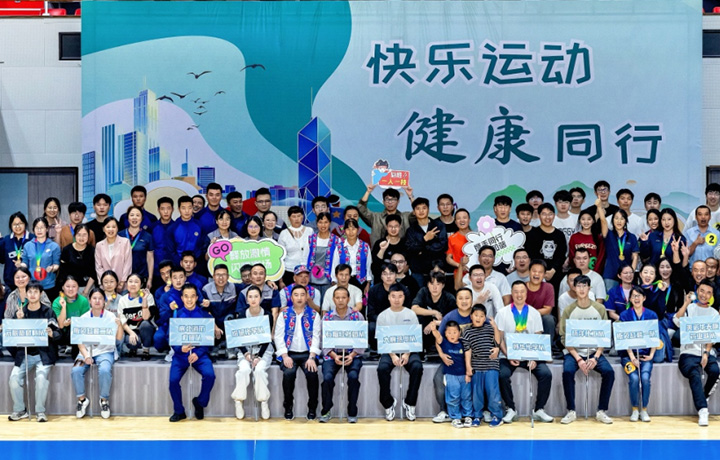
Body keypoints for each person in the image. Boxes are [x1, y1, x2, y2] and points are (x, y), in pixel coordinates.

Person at [558, 275, 615, 425]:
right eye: (579, 286)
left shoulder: (599, 309)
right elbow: (564, 338)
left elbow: (604, 336)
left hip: (594, 352)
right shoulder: (569, 310)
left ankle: (602, 411)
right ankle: (571, 410)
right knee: (567, 372)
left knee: (609, 372)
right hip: (574, 352)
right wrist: (578, 359)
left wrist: (595, 357)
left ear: (589, 288)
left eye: (585, 286)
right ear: (574, 288)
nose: (582, 289)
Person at [496, 281, 554, 424]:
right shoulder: (502, 313)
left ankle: (539, 409)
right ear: (512, 293)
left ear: (526, 294)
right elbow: (499, 338)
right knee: (502, 375)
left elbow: (538, 337)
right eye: (516, 292)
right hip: (508, 355)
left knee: (546, 374)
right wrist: (508, 355)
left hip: (530, 355)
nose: (519, 295)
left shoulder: (534, 313)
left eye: (522, 291)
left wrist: (534, 358)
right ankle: (511, 409)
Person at [7, 282, 61, 422]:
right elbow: (11, 335)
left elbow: (58, 333)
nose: (32, 294)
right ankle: (20, 410)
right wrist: (18, 320)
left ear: (41, 294)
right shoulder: (20, 312)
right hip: (24, 354)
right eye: (29, 291)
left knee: (41, 379)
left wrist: (52, 334)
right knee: (13, 378)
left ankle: (40, 412)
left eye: (35, 291)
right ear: (26, 294)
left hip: (43, 355)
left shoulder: (48, 312)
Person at [168, 284, 220, 422]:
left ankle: (200, 402)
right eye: (186, 296)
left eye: (192, 296)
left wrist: (198, 352)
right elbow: (170, 336)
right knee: (173, 381)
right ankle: (179, 411)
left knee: (210, 375)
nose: (189, 300)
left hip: (199, 355)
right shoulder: (176, 315)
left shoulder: (204, 315)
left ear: (197, 297)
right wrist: (180, 349)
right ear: (182, 298)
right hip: (181, 355)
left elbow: (208, 338)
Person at [71, 287, 124, 419]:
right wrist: (86, 356)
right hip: (85, 351)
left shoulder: (110, 316)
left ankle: (104, 401)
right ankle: (82, 400)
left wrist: (119, 325)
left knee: (105, 370)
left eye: (100, 298)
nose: (97, 301)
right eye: (94, 298)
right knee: (76, 370)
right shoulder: (83, 318)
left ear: (104, 301)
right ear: (90, 300)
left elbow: (118, 338)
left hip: (105, 351)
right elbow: (79, 342)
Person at [673, 280, 720, 426]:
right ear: (697, 291)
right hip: (688, 353)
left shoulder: (714, 313)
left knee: (715, 370)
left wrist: (706, 353)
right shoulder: (690, 308)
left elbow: (712, 336)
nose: (704, 295)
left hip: (705, 352)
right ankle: (702, 410)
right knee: (695, 373)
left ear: (712, 295)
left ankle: (703, 396)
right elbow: (676, 321)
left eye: (708, 292)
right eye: (702, 291)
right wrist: (686, 303)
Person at [376, 284, 424, 421]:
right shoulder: (383, 316)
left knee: (417, 367)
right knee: (382, 368)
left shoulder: (411, 314)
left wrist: (407, 354)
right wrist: (393, 355)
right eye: (393, 296)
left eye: (400, 296)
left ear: (404, 297)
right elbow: (381, 339)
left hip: (409, 349)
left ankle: (410, 402)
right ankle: (388, 403)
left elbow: (415, 337)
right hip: (389, 350)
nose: (396, 300)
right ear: (389, 297)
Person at [274, 285, 322, 420]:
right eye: (296, 295)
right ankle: (288, 406)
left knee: (312, 374)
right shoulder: (284, 314)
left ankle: (312, 407)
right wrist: (285, 356)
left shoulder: (314, 315)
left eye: (302, 295)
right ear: (291, 298)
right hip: (289, 353)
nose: (299, 298)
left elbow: (316, 337)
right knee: (288, 374)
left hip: (308, 353)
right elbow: (278, 336)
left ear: (307, 297)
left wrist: (312, 357)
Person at [319, 287, 366, 423]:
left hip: (352, 354)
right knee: (327, 378)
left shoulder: (357, 316)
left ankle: (352, 411)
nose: (340, 300)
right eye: (337, 298)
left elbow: (362, 339)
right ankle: (326, 410)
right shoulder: (327, 317)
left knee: (353, 377)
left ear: (349, 299)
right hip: (332, 355)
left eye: (343, 297)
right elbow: (323, 340)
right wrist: (334, 356)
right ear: (333, 299)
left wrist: (352, 355)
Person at [432, 287, 474, 423]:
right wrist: (442, 355)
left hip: (474, 359)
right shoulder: (449, 317)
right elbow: (438, 340)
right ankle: (444, 411)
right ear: (456, 301)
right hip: (453, 360)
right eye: (460, 298)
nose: (464, 301)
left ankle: (479, 411)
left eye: (467, 298)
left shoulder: (477, 315)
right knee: (438, 379)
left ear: (472, 300)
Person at [231, 285, 273, 420]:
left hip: (263, 350)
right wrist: (246, 354)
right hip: (245, 350)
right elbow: (238, 338)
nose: (253, 299)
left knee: (259, 370)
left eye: (256, 296)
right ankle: (238, 400)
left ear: (260, 298)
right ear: (246, 299)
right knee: (244, 370)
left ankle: (264, 401)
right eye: (250, 297)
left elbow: (267, 339)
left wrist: (258, 357)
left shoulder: (267, 315)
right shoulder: (242, 315)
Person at [618, 285, 657, 422]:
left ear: (644, 298)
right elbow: (624, 338)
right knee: (634, 378)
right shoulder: (624, 315)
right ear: (630, 299)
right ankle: (635, 409)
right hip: (628, 356)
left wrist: (651, 355)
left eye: (639, 296)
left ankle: (644, 410)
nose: (636, 298)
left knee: (645, 378)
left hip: (646, 355)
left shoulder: (652, 315)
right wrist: (632, 357)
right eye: (633, 296)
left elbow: (654, 337)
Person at [462, 304, 503, 427]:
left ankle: (497, 415)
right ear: (471, 316)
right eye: (476, 315)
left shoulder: (490, 328)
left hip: (491, 365)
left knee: (493, 391)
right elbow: (467, 350)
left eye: (481, 316)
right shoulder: (467, 331)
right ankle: (477, 415)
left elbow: (497, 341)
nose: (478, 318)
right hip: (476, 366)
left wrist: (495, 327)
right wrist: (468, 367)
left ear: (485, 318)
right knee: (477, 393)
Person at [429, 320, 471, 428]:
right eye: (449, 332)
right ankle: (455, 417)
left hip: (464, 375)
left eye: (455, 332)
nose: (452, 335)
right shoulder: (445, 343)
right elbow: (438, 337)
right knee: (453, 397)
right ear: (446, 334)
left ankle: (467, 416)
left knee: (466, 396)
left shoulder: (463, 343)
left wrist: (468, 373)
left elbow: (468, 358)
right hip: (451, 375)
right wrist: (434, 330)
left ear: (459, 333)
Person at [405, 197, 448, 287]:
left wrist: (422, 249)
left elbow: (443, 246)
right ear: (414, 212)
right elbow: (411, 249)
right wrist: (425, 239)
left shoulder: (439, 225)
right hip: (418, 271)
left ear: (428, 209)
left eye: (424, 208)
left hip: (436, 269)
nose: (421, 211)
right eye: (418, 208)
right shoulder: (411, 230)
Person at [524, 203, 567, 291]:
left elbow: (561, 255)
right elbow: (530, 255)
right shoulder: (532, 234)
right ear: (539, 216)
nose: (547, 217)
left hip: (555, 274)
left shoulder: (559, 235)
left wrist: (553, 270)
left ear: (554, 215)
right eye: (544, 214)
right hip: (536, 274)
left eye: (550, 214)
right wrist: (541, 272)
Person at [412, 272, 456, 355]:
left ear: (443, 285)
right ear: (428, 284)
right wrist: (434, 312)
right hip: (425, 328)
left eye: (438, 284)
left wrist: (434, 323)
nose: (434, 288)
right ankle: (420, 351)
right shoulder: (423, 292)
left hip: (441, 328)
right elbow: (414, 309)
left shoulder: (449, 298)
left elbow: (452, 319)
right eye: (432, 284)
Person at [202, 264, 238, 359]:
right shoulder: (206, 289)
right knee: (206, 320)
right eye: (218, 275)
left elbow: (251, 286)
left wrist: (267, 282)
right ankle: (213, 347)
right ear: (213, 276)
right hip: (214, 321)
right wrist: (214, 326)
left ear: (228, 276)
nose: (221, 278)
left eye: (224, 275)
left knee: (233, 318)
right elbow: (205, 311)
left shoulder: (233, 287)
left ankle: (231, 348)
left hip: (228, 320)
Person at [599, 205, 639, 291]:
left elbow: (635, 257)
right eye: (616, 218)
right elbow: (603, 221)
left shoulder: (631, 237)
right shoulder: (608, 234)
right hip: (610, 274)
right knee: (610, 297)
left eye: (622, 218)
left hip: (626, 275)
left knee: (626, 297)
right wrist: (599, 206)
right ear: (612, 220)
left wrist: (630, 273)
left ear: (626, 221)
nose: (619, 221)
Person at [117, 273, 155, 360]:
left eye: (136, 282)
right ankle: (133, 349)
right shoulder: (122, 300)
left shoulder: (148, 296)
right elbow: (122, 321)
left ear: (141, 285)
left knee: (145, 324)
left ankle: (146, 350)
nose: (133, 284)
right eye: (130, 281)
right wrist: (131, 333)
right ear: (126, 284)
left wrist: (144, 300)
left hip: (145, 329)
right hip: (131, 329)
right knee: (131, 343)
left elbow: (146, 318)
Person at [21, 217, 61, 299]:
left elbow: (57, 264)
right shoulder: (28, 245)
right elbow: (25, 262)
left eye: (42, 227)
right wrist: (21, 265)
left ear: (47, 229)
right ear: (33, 229)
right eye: (37, 228)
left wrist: (52, 268)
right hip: (32, 285)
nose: (39, 230)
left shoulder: (54, 246)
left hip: (49, 285)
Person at [307, 212, 342, 301]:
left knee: (327, 304)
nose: (323, 225)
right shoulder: (310, 239)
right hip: (312, 279)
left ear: (330, 223)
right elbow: (305, 257)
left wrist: (335, 278)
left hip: (329, 279)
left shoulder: (336, 240)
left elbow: (337, 261)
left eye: (326, 222)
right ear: (317, 223)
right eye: (320, 222)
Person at [52, 276, 90, 357]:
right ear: (63, 287)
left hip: (78, 332)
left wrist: (73, 323)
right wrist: (63, 307)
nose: (71, 289)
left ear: (78, 287)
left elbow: (85, 322)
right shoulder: (57, 302)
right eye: (68, 286)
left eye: (74, 286)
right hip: (62, 332)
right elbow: (61, 325)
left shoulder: (83, 301)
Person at [119, 206, 154, 288]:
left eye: (137, 215)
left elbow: (150, 259)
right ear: (127, 218)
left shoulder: (147, 236)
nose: (134, 218)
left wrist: (150, 279)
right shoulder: (120, 235)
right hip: (123, 279)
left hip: (141, 277)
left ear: (141, 219)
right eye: (132, 215)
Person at [331, 219, 372, 291]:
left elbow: (368, 266)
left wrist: (368, 283)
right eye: (348, 229)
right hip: (343, 282)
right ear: (344, 231)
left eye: (353, 229)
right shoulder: (339, 247)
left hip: (361, 282)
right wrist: (335, 282)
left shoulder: (365, 246)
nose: (351, 232)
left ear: (358, 230)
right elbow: (335, 265)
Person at [278, 206, 313, 286]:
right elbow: (280, 257)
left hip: (306, 271)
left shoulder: (310, 231)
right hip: (289, 271)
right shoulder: (284, 233)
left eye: (299, 216)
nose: (296, 219)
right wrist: (280, 280)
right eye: (294, 216)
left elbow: (313, 251)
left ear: (302, 217)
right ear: (289, 218)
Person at [94, 218, 132, 292]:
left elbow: (128, 264)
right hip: (106, 286)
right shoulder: (99, 245)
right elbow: (98, 267)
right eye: (108, 227)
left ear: (117, 228)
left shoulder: (125, 242)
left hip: (122, 285)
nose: (111, 229)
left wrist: (122, 282)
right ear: (103, 229)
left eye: (114, 227)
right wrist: (104, 283)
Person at [58, 223, 96, 295]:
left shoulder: (92, 251)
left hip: (87, 287)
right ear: (74, 235)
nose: (81, 238)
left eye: (84, 235)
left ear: (88, 236)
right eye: (79, 235)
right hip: (70, 288)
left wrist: (86, 291)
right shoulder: (67, 250)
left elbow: (93, 273)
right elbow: (63, 272)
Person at [166, 196, 204, 266]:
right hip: (179, 264)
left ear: (192, 208)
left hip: (196, 263)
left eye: (189, 208)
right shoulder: (172, 227)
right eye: (183, 208)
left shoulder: (199, 225)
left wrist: (194, 261)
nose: (187, 211)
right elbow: (171, 250)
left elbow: (202, 245)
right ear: (179, 209)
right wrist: (181, 263)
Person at [1, 212, 33, 291]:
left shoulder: (32, 238)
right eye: (15, 224)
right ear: (11, 226)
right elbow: (2, 260)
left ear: (25, 224)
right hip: (10, 282)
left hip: (29, 282)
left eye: (20, 223)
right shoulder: (6, 240)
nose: (18, 226)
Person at [371, 214, 406, 282]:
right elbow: (375, 267)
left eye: (396, 226)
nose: (393, 229)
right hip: (381, 281)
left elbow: (407, 266)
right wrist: (382, 250)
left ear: (400, 227)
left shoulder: (405, 244)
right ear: (386, 227)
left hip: (401, 282)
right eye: (390, 226)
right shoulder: (379, 243)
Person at [568, 208, 604, 274]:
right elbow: (571, 256)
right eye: (583, 219)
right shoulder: (574, 237)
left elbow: (601, 257)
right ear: (579, 221)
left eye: (589, 219)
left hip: (594, 273)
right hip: (577, 273)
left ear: (593, 221)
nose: (586, 222)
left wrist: (595, 273)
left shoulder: (598, 237)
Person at [151, 197, 174, 289]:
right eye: (162, 209)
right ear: (158, 210)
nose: (166, 212)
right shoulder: (152, 227)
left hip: (173, 271)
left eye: (168, 208)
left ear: (173, 209)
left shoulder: (177, 226)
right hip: (156, 271)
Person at [445, 208, 472, 274]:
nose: (462, 220)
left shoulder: (476, 236)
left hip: (476, 274)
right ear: (455, 222)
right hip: (459, 274)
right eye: (459, 218)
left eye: (464, 218)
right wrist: (459, 266)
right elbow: (448, 258)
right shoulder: (452, 238)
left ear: (469, 220)